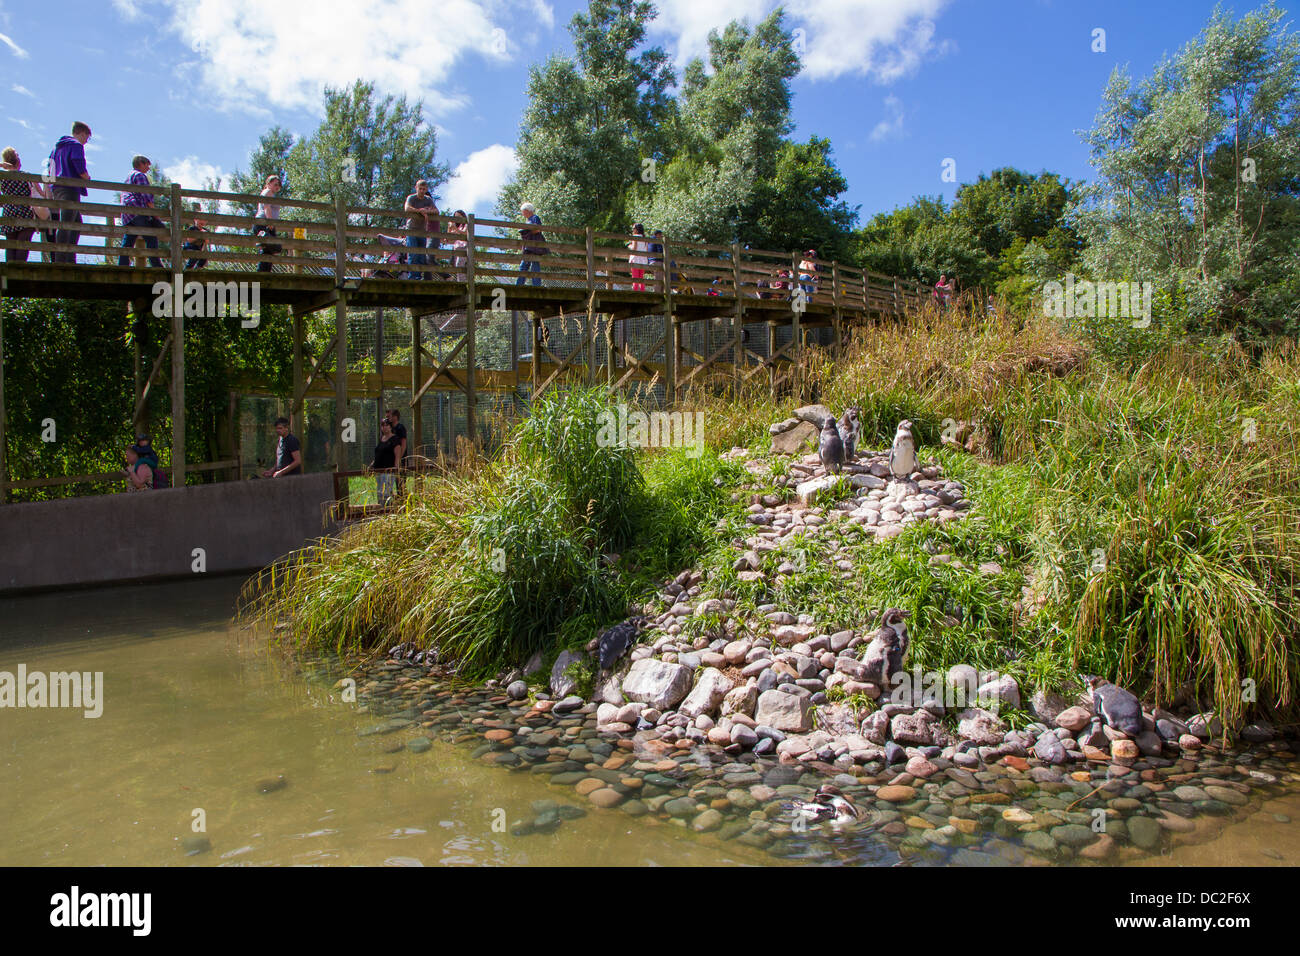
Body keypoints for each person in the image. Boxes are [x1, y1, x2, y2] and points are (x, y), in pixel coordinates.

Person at [47, 121, 92, 263]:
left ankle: (69, 256)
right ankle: (61, 260)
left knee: (76, 222)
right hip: (70, 187)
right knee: (66, 224)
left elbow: (49, 166)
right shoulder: (76, 145)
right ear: (81, 133)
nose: (86, 141)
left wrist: (50, 184)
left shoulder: (56, 148)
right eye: (87, 137)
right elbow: (78, 162)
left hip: (57, 187)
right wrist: (86, 176)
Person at [118, 155, 164, 268]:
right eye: (147, 165)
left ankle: (122, 265)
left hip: (127, 214)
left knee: (128, 240)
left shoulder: (129, 176)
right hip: (138, 210)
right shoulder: (140, 175)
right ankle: (156, 265)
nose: (148, 168)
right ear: (141, 164)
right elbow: (147, 196)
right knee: (151, 238)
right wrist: (155, 215)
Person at [1, 146, 45, 262]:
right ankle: (20, 269)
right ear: (18, 161)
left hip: (8, 212)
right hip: (25, 212)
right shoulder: (27, 176)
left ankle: (10, 274)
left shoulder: (3, 178)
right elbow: (42, 194)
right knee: (23, 245)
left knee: (10, 246)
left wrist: (2, 166)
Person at [403, 179, 438, 280]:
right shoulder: (411, 198)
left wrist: (426, 211)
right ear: (416, 188)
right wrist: (420, 211)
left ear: (426, 189)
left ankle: (419, 276)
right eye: (420, 189)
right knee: (413, 254)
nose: (422, 191)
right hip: (411, 229)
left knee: (421, 255)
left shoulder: (428, 200)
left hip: (422, 230)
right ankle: (413, 277)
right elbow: (407, 208)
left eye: (424, 189)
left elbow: (436, 211)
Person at [255, 174, 282, 273]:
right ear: (269, 183)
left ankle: (264, 273)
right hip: (265, 223)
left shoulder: (270, 193)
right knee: (269, 249)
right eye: (275, 184)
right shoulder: (268, 192)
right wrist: (270, 222)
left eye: (279, 185)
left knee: (270, 249)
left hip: (265, 223)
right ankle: (262, 273)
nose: (277, 186)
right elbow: (267, 207)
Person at [516, 202, 545, 286]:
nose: (522, 213)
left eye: (523, 211)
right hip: (528, 246)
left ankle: (536, 285)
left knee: (534, 265)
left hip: (535, 246)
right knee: (524, 265)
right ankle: (519, 284)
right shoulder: (528, 220)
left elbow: (538, 229)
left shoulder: (535, 218)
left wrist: (527, 232)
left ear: (527, 210)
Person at [371, 419, 399, 503]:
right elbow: (378, 454)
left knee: (386, 493)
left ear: (390, 427)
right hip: (378, 471)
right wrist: (371, 465)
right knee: (380, 492)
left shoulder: (395, 439)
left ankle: (388, 511)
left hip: (388, 471)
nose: (384, 427)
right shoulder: (381, 438)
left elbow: (397, 455)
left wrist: (396, 469)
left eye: (387, 425)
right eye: (382, 425)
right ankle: (381, 511)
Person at [183, 203, 208, 269]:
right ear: (195, 220)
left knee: (204, 257)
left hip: (198, 249)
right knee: (194, 257)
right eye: (199, 219)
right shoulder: (192, 229)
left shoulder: (205, 231)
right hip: (189, 248)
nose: (201, 221)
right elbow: (189, 240)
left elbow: (206, 242)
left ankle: (198, 268)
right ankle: (187, 269)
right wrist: (199, 235)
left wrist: (205, 237)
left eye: (203, 220)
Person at [627, 223, 648, 291]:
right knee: (641, 277)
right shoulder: (645, 239)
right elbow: (646, 249)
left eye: (634, 228)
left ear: (637, 229)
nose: (633, 230)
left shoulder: (635, 237)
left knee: (635, 277)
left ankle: (635, 291)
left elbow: (634, 248)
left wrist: (630, 246)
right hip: (643, 259)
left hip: (636, 259)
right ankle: (642, 291)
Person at [448, 209, 468, 280]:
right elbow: (449, 237)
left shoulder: (466, 224)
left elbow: (464, 233)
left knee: (459, 265)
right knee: (457, 266)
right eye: (455, 217)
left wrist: (454, 228)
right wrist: (449, 227)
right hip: (456, 248)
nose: (457, 218)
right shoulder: (458, 227)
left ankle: (462, 283)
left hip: (464, 247)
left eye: (459, 216)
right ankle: (460, 281)